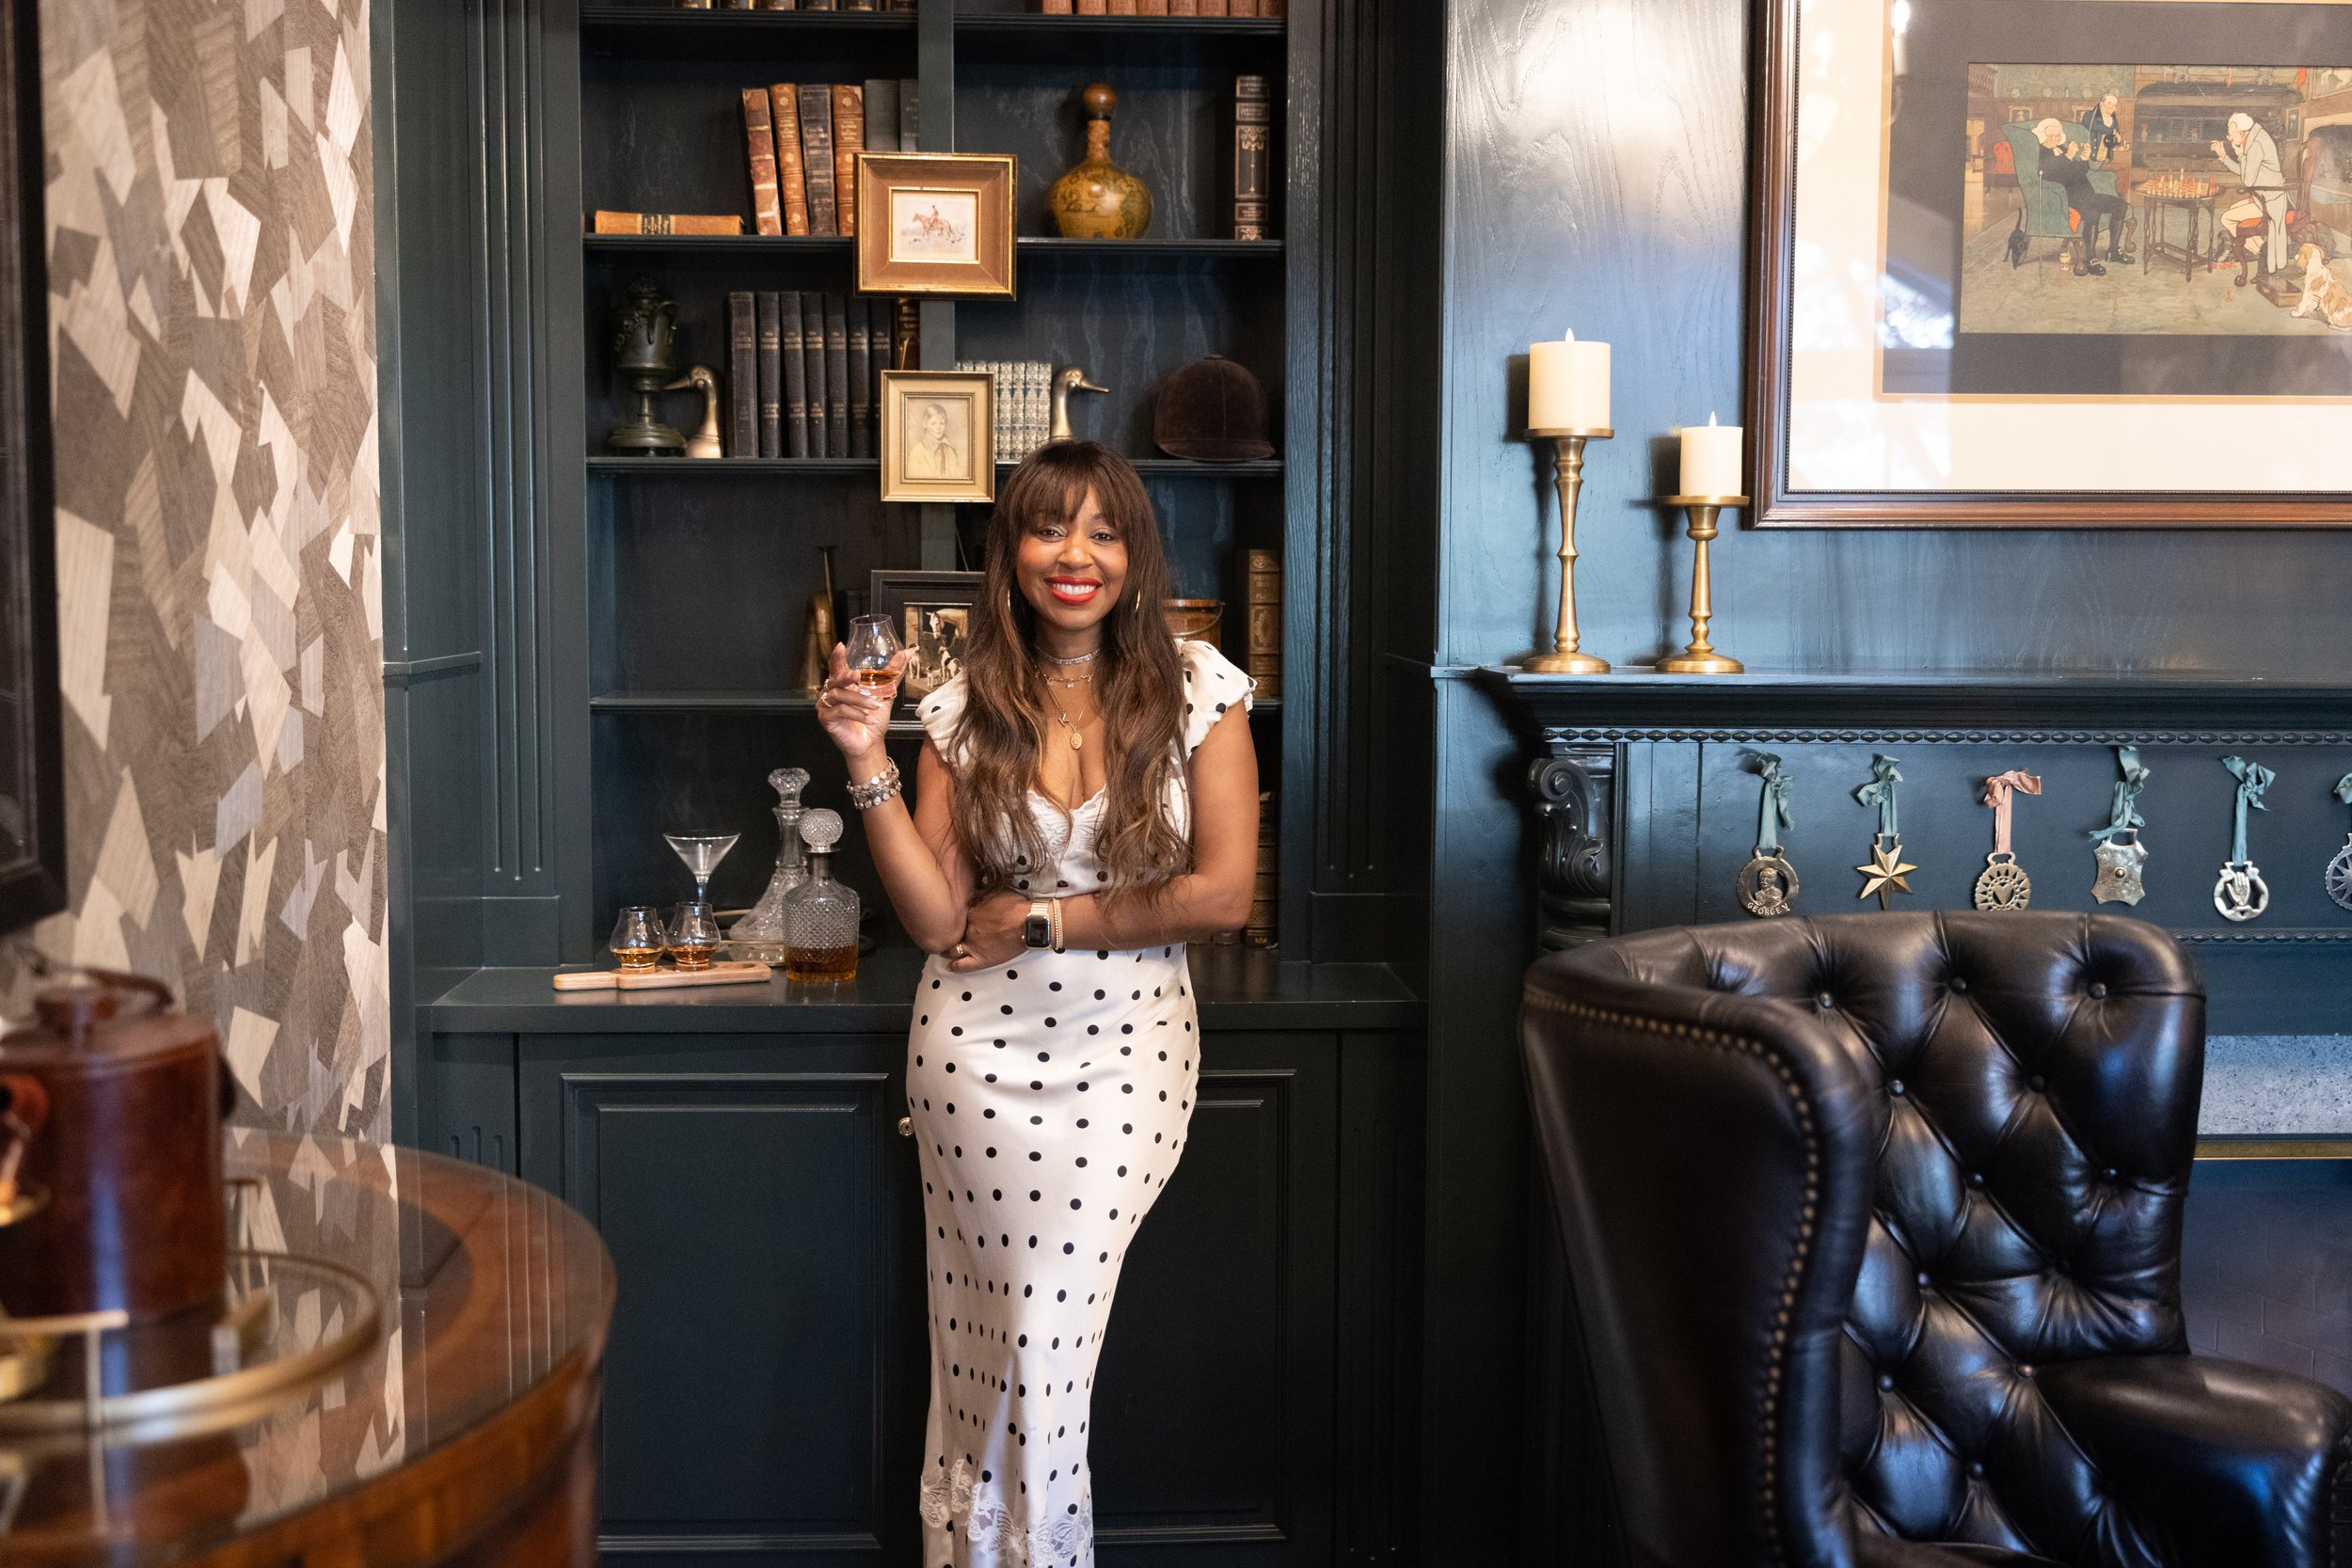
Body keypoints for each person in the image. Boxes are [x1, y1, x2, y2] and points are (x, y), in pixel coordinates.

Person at [815, 441, 1259, 1568]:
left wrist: (1049, 919)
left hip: (1123, 1061)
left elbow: (1219, 894)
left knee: (1040, 1336)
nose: (1076, 555)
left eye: (1104, 531)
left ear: (1134, 555)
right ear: (1009, 552)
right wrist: (867, 758)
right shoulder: (964, 706)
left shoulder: (1201, 685)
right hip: (973, 1060)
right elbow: (932, 917)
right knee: (989, 1350)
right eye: (1049, 529)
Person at [2034, 119, 2132, 273]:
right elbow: (2051, 174)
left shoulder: (2062, 148)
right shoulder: (2041, 152)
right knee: (2093, 213)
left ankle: (2112, 250)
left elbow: (2078, 172)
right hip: (2067, 198)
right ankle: (2090, 257)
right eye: (2050, 135)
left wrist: (2084, 159)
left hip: (2086, 194)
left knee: (2121, 205)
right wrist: (2068, 157)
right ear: (2042, 135)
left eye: (2058, 135)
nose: (2055, 138)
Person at [2213, 111, 2290, 280]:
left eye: (2231, 135)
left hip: (2268, 201)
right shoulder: (2254, 136)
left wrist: (2239, 153)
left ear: (2241, 133)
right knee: (2232, 210)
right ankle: (2258, 247)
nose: (2230, 139)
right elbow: (2246, 173)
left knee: (2227, 218)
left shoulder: (2255, 144)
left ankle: (2258, 249)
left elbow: (2247, 180)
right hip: (2263, 196)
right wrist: (2224, 156)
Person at [907, 401, 962, 480]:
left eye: (941, 423)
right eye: (933, 423)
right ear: (925, 424)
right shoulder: (916, 453)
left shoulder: (950, 451)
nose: (938, 428)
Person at [2078, 91, 2124, 162]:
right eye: (2110, 104)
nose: (2113, 107)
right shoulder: (2089, 115)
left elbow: (2117, 133)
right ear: (2102, 104)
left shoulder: (2113, 118)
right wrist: (2113, 132)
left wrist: (2117, 140)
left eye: (2114, 105)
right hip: (2091, 156)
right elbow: (2096, 127)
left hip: (2105, 158)